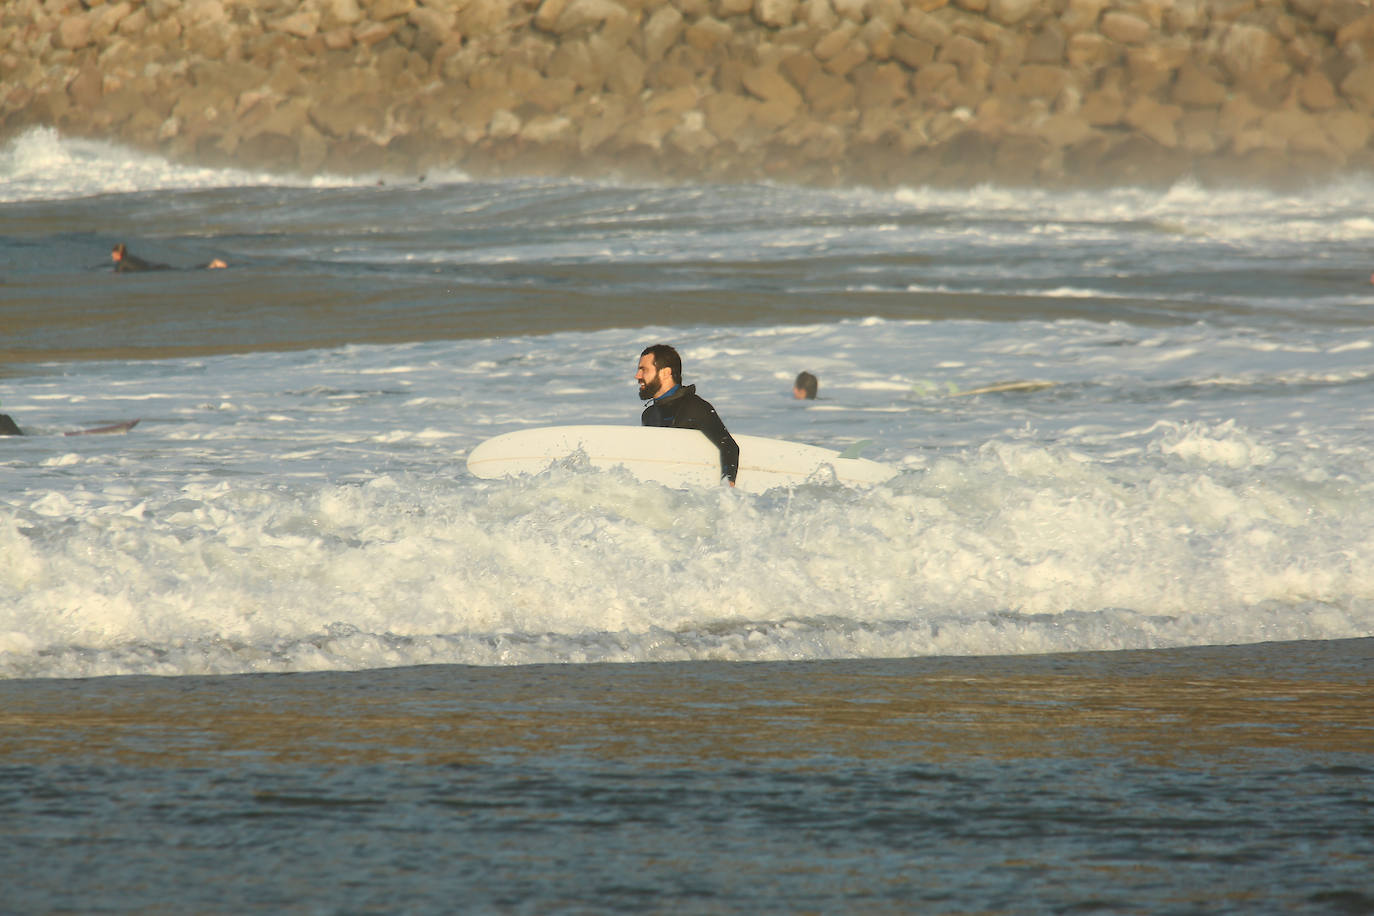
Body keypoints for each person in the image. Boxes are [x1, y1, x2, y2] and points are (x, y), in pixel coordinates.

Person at [636, 344, 739, 486]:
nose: (637, 376)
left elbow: (729, 446)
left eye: (643, 370)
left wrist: (727, 488)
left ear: (665, 373)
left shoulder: (695, 407)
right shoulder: (648, 415)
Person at [112, 243, 227, 271]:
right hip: (159, 266)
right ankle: (210, 265)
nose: (112, 256)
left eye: (113, 254)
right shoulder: (131, 257)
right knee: (185, 269)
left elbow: (117, 271)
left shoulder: (121, 264)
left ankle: (211, 265)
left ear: (118, 254)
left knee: (186, 270)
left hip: (155, 270)